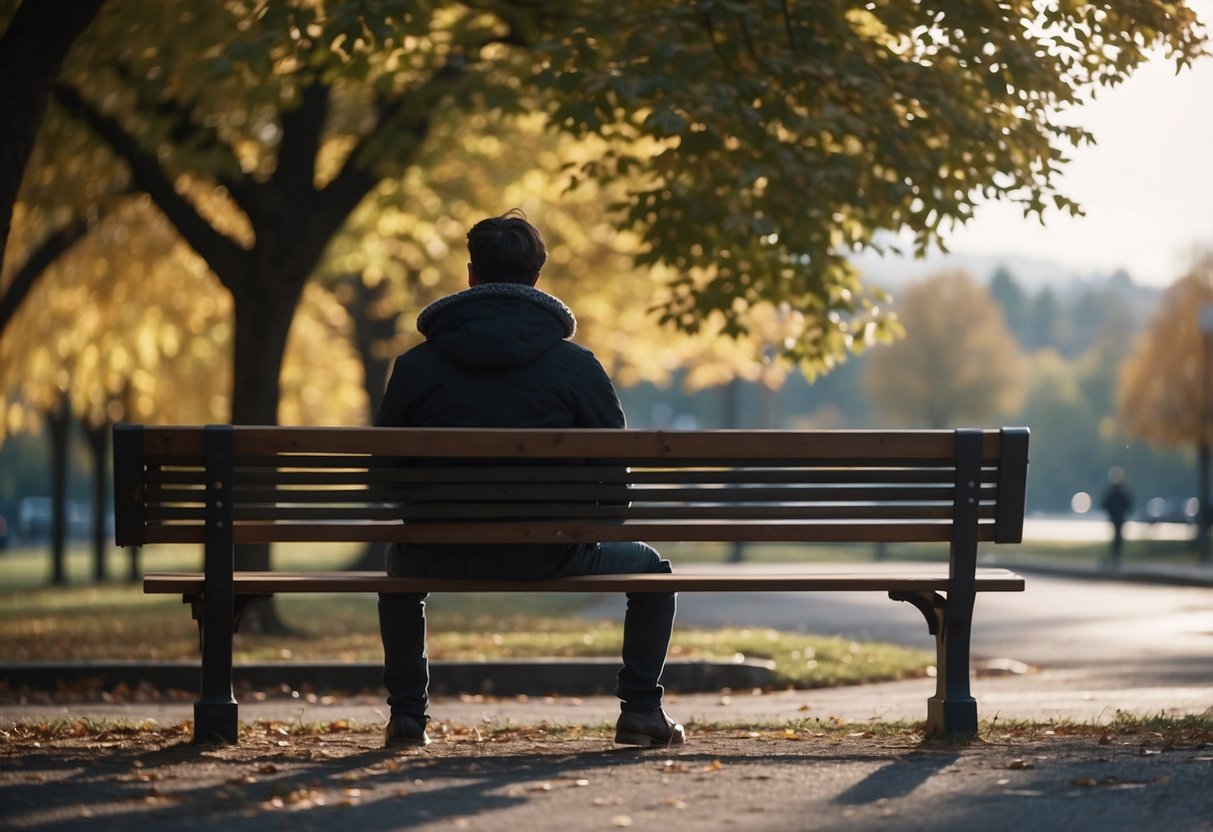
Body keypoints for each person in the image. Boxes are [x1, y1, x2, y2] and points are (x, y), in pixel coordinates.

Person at [375, 209, 683, 749]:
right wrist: (582, 529)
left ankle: (407, 717)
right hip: (552, 552)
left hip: (437, 550)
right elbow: (616, 487)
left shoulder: (414, 367)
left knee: (398, 567)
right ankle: (641, 711)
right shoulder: (578, 367)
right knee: (653, 570)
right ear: (536, 278)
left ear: (471, 275)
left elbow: (385, 481)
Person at [1100, 467, 1133, 567]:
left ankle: (1116, 556)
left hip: (1116, 518)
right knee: (1117, 537)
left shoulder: (1114, 491)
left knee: (1117, 537)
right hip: (1118, 518)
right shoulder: (1121, 491)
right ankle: (1116, 556)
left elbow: (1104, 505)